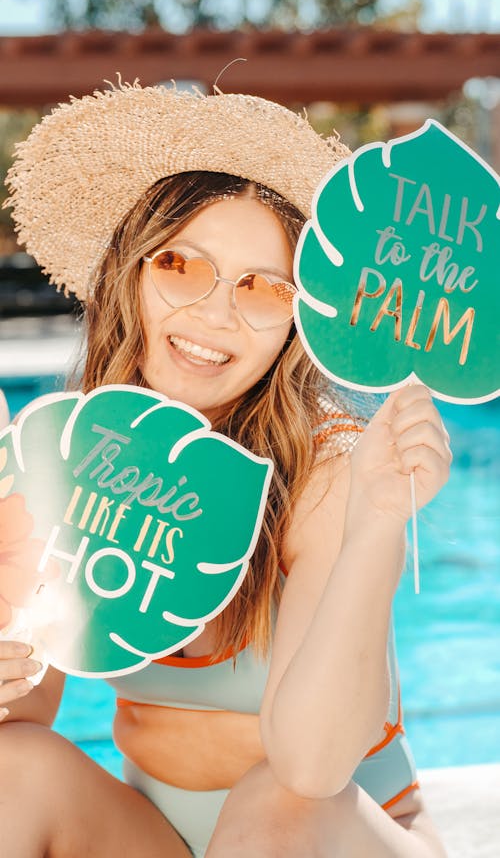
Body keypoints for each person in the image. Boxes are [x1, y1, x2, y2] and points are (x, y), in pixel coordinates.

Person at [0, 81, 450, 858]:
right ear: (130, 275)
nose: (215, 315)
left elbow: (311, 772)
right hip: (158, 837)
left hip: (333, 834)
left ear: (298, 321)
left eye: (263, 288)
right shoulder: (71, 450)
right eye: (180, 265)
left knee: (276, 795)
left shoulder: (328, 471)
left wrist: (378, 523)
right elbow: (31, 712)